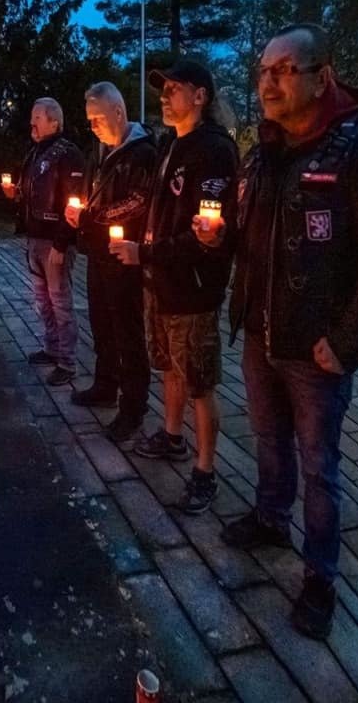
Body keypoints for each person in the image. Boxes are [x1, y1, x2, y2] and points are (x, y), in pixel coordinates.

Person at [197, 24, 358, 639]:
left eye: (286, 69)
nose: (269, 81)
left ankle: (320, 574)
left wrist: (346, 341)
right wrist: (219, 237)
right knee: (267, 439)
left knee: (319, 465)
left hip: (317, 350)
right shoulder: (262, 151)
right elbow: (247, 238)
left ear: (323, 76)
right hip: (262, 335)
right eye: (264, 70)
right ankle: (270, 518)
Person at [109, 60, 238, 514]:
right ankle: (171, 435)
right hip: (158, 281)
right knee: (167, 363)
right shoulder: (169, 145)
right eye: (162, 90)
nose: (164, 97)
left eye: (174, 89)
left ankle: (205, 472)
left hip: (192, 287)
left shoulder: (215, 151)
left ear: (200, 96)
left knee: (200, 381)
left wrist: (145, 254)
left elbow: (205, 234)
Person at [66, 82, 155, 442]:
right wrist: (79, 210)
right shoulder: (99, 150)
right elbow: (89, 192)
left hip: (125, 256)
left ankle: (133, 408)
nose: (93, 126)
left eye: (98, 118)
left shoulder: (142, 153)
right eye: (89, 120)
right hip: (98, 251)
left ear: (119, 113)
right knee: (102, 323)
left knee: (127, 332)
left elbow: (138, 201)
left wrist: (91, 216)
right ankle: (105, 385)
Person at [2, 97, 85, 386]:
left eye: (37, 118)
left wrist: (62, 244)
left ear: (54, 121)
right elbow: (31, 192)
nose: (32, 123)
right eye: (32, 117)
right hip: (34, 238)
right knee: (43, 300)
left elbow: (75, 203)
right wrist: (15, 194)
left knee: (60, 301)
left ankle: (68, 362)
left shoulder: (69, 154)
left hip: (54, 241)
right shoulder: (35, 153)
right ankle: (52, 348)